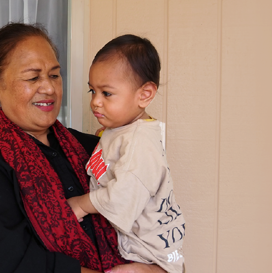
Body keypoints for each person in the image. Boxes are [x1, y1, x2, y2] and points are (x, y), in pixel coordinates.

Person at [0, 23, 167, 273]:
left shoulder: (96, 148)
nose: (49, 88)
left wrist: (158, 268)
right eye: (33, 77)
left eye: (54, 75)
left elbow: (158, 218)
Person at [67, 35, 185, 273]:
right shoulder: (122, 130)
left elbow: (123, 197)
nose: (95, 102)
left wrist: (81, 204)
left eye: (106, 93)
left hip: (151, 251)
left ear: (144, 95)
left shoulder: (139, 142)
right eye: (93, 91)